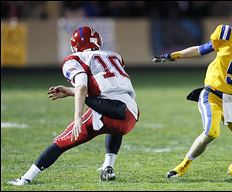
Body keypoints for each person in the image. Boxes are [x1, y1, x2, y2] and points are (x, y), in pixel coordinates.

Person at [7, 26, 139, 185]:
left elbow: (82, 87)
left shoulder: (74, 59)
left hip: (106, 114)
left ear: (75, 45)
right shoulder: (115, 56)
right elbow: (110, 88)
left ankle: (26, 178)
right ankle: (108, 166)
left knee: (61, 141)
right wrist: (71, 91)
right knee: (114, 125)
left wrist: (77, 117)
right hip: (131, 113)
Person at [152, 6, 232, 178]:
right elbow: (201, 49)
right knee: (211, 132)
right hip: (212, 95)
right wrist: (173, 55)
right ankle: (182, 167)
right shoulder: (226, 36)